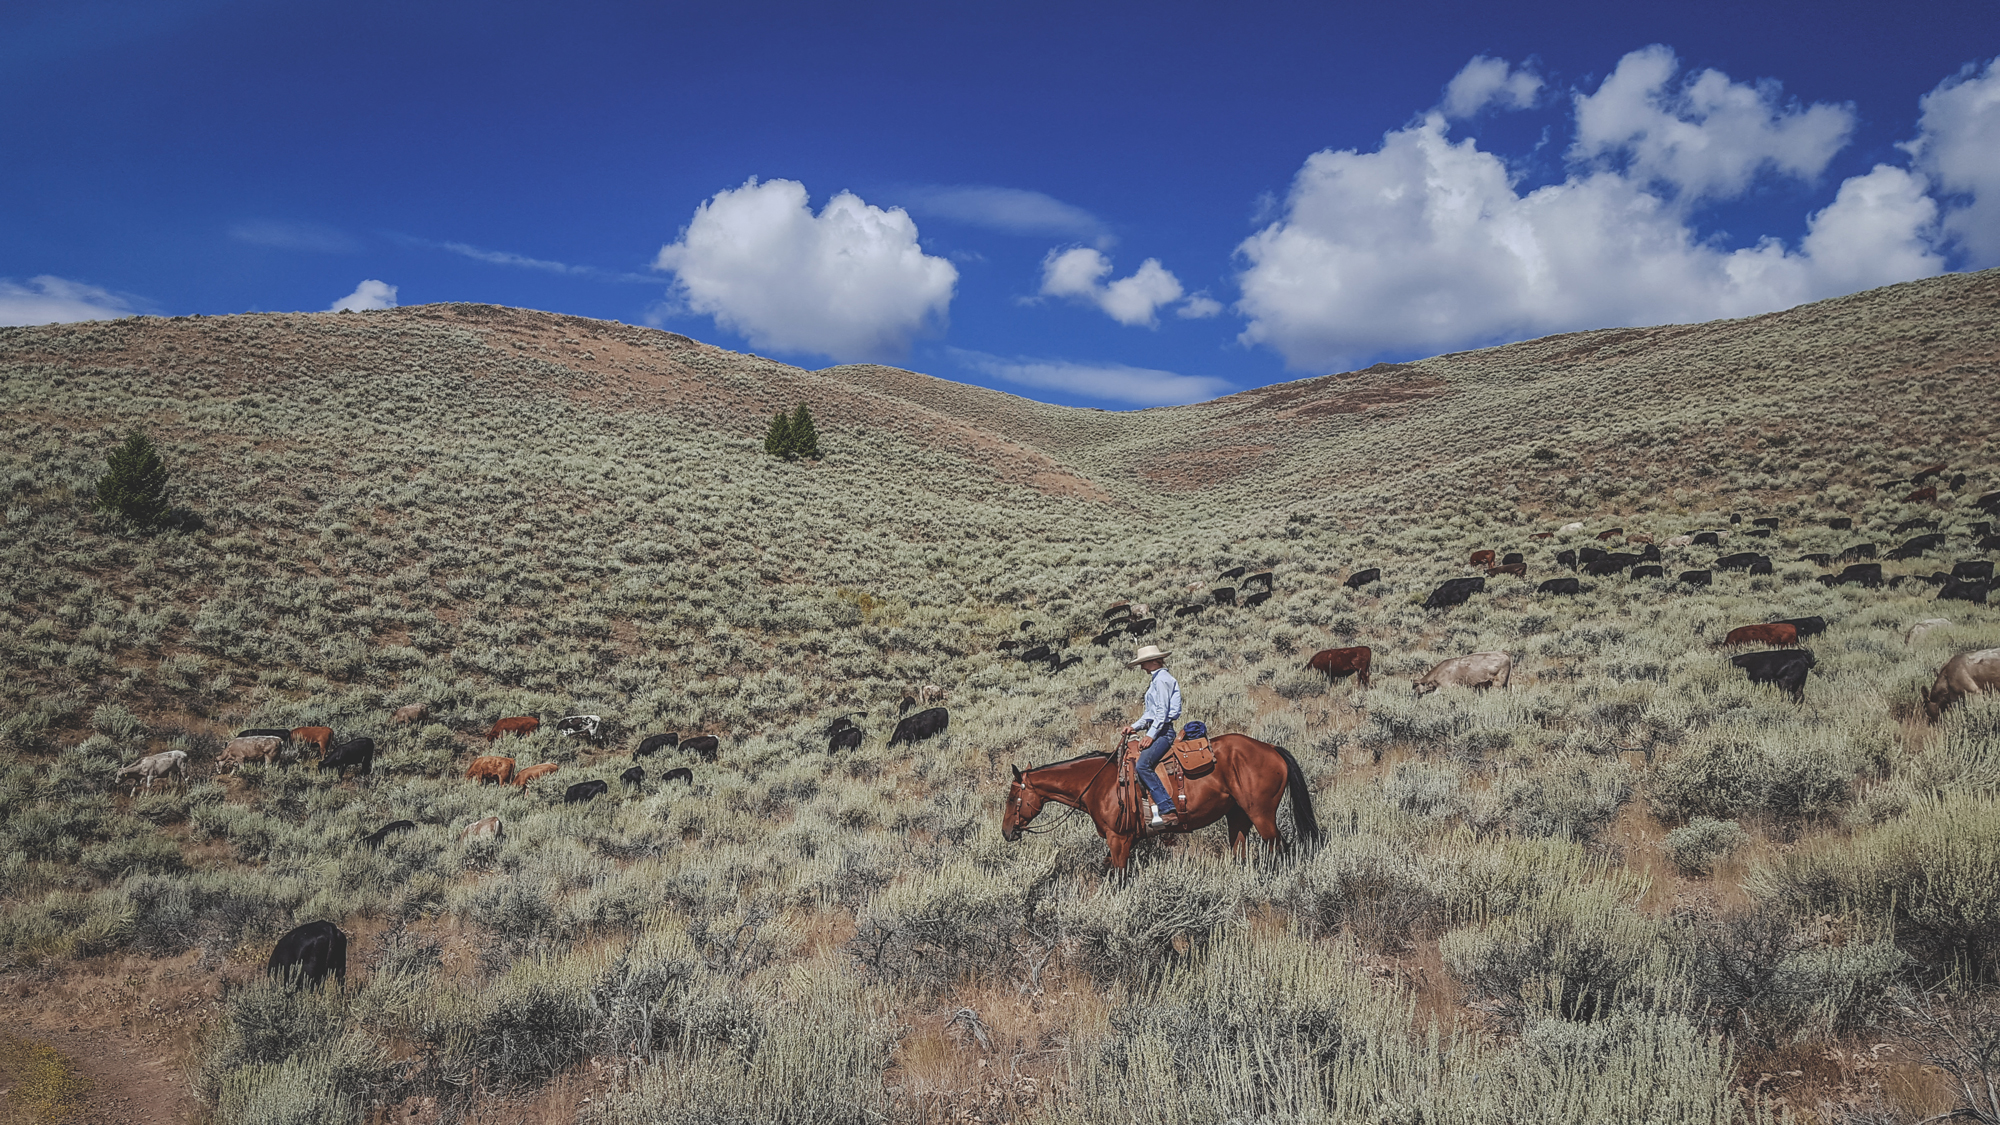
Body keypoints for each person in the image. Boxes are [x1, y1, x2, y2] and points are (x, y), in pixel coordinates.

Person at [1121, 644, 1182, 829]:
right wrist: (1134, 727)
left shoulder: (1162, 680)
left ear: (1154, 661)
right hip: (1158, 729)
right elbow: (1150, 713)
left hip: (1163, 732)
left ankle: (1166, 807)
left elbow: (1162, 713)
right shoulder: (1157, 680)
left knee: (1142, 765)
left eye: (1144, 662)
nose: (1141, 667)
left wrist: (1150, 735)